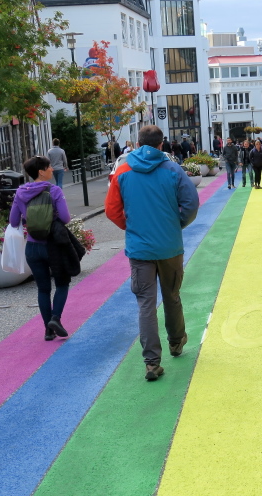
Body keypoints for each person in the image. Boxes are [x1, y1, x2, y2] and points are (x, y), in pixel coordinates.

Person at [105, 125, 199, 382]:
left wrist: (131, 227)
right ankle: (176, 342)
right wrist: (176, 224)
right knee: (172, 295)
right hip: (169, 246)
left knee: (145, 304)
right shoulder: (173, 169)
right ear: (161, 144)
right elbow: (191, 204)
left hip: (140, 249)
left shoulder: (123, 170)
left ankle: (152, 363)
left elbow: (112, 210)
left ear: (137, 143)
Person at [9, 156, 74, 341]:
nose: (52, 169)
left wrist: (28, 220)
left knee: (43, 289)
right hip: (53, 246)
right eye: (49, 167)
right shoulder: (54, 190)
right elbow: (66, 218)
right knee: (62, 284)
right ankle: (55, 318)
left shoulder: (20, 192)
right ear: (41, 172)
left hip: (32, 247)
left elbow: (13, 221)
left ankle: (48, 331)